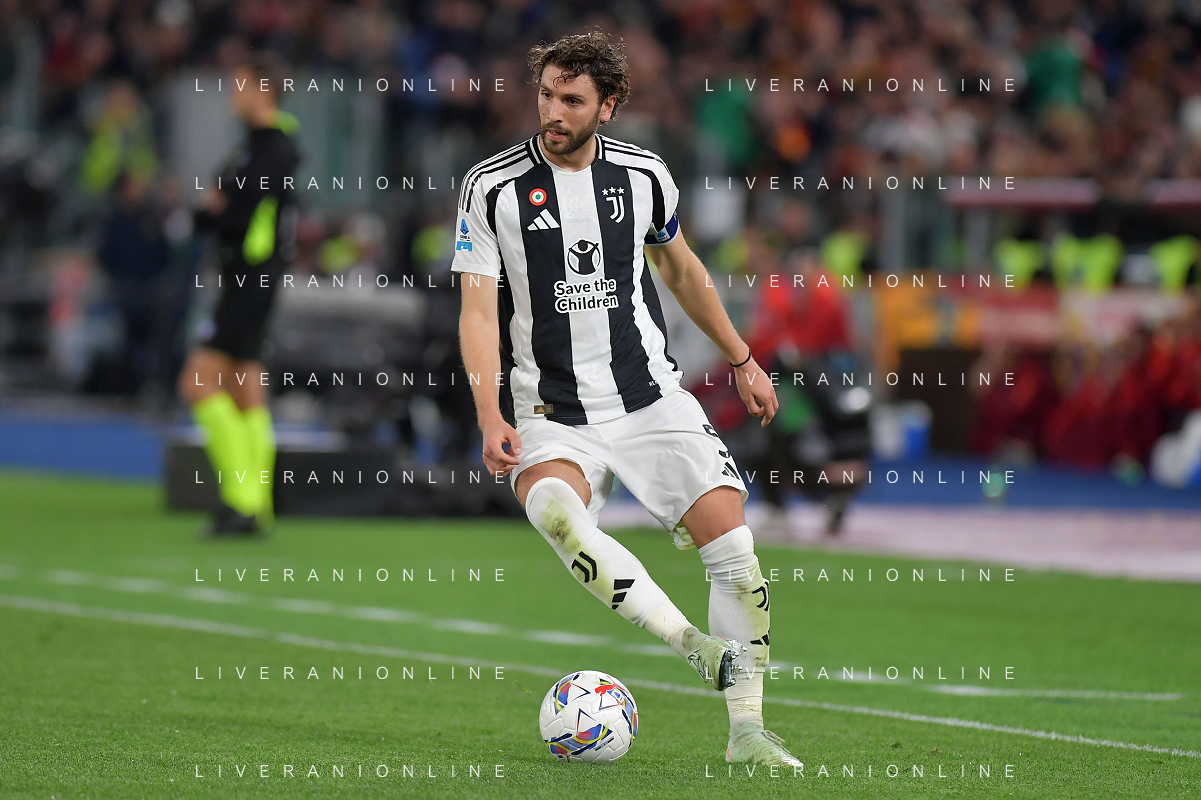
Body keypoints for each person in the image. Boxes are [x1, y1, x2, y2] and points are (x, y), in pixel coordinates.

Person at [453, 32, 798, 768]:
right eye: (546, 95)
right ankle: (691, 644)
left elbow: (681, 270)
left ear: (607, 106)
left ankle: (747, 732)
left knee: (735, 553)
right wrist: (489, 412)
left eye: (572, 100)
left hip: (648, 398)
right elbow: (477, 312)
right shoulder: (491, 187)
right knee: (555, 513)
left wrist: (741, 358)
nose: (553, 112)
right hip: (550, 410)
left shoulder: (643, 175)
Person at [178, 52, 300, 536]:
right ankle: (256, 507)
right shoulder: (258, 147)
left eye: (240, 86)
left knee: (196, 383)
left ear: (262, 90)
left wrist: (215, 208)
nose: (233, 95)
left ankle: (241, 500)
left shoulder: (272, 149)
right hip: (250, 280)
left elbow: (232, 211)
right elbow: (218, 206)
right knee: (245, 388)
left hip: (250, 279)